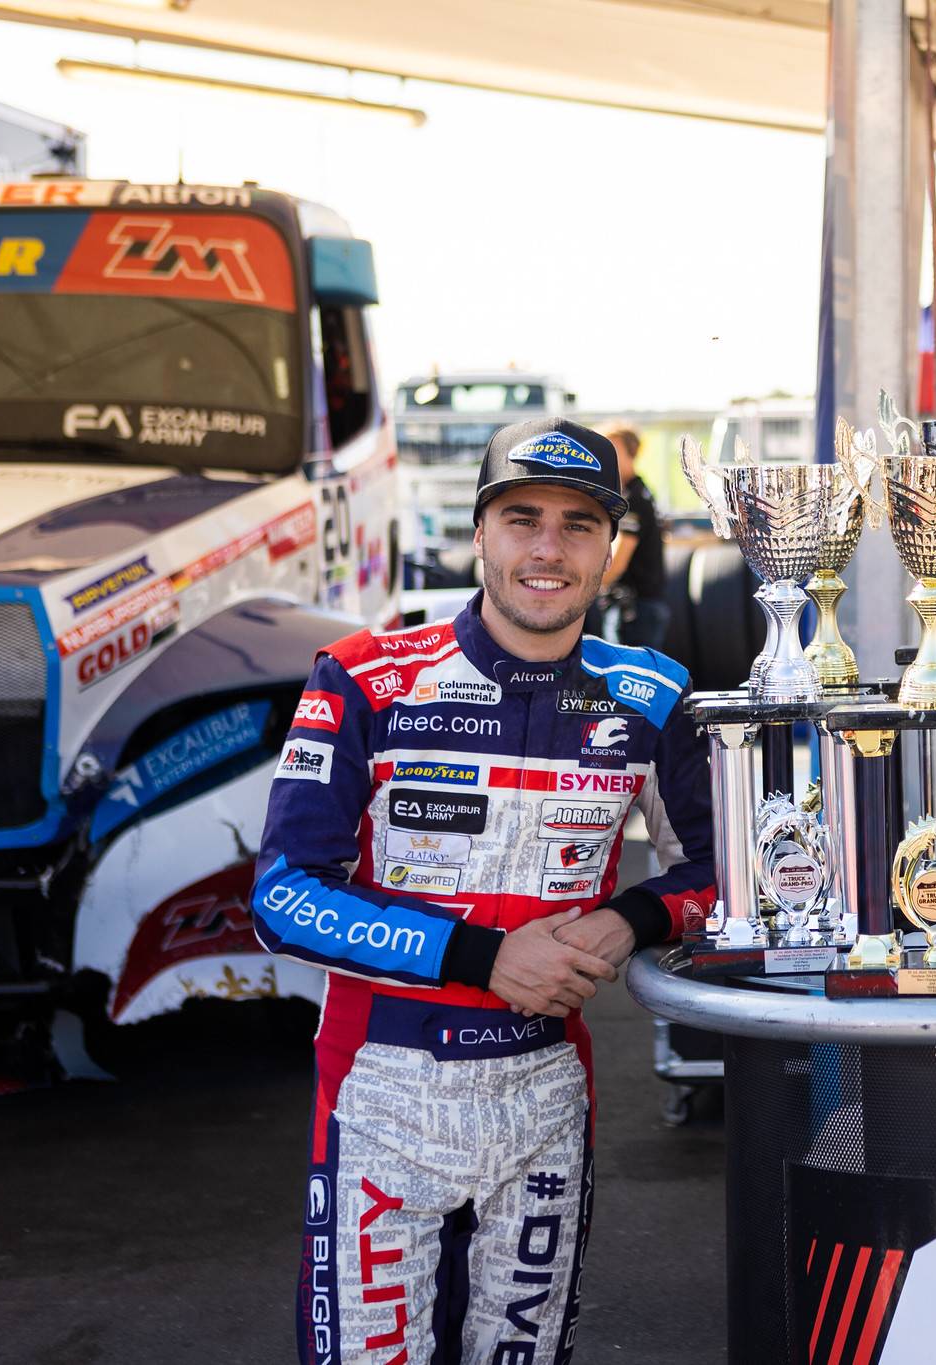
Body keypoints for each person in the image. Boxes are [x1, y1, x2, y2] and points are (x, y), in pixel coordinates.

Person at [252, 416, 715, 1365]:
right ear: (478, 532)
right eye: (521, 518)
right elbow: (284, 892)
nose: (548, 548)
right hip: (380, 1092)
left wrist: (629, 918)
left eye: (579, 524)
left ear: (612, 548)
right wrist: (480, 956)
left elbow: (721, 877)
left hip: (546, 1093)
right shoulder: (365, 679)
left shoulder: (652, 696)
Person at [598, 421, 670, 649]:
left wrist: (583, 588)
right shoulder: (643, 492)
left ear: (631, 453)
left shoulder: (633, 499)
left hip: (634, 610)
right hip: (644, 606)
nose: (604, 458)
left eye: (612, 450)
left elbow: (618, 560)